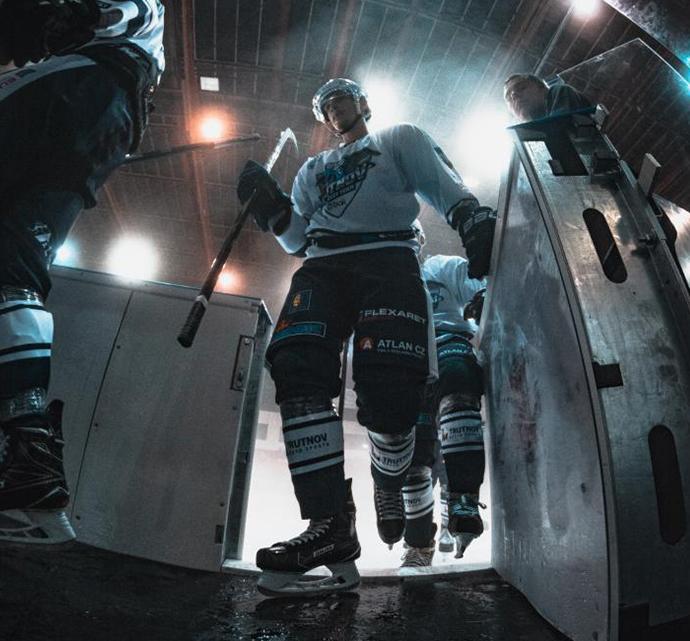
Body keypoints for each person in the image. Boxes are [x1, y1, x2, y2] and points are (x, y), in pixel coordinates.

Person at [236, 77, 496, 596]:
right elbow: (295, 239)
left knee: (394, 399)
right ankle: (329, 524)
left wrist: (470, 216)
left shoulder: (397, 137)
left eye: (343, 97)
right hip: (324, 265)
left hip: (390, 258)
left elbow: (443, 185)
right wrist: (272, 209)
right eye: (326, 104)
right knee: (295, 366)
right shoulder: (312, 169)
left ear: (364, 104)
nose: (334, 106)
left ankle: (389, 475)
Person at [0, 0, 165, 544]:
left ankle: (26, 455)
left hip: (71, 93)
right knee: (14, 266)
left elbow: (129, 9)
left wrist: (90, 16)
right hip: (96, 118)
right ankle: (30, 471)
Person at [398, 238, 488, 569]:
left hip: (449, 343)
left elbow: (480, 285)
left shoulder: (440, 267)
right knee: (415, 457)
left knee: (457, 379)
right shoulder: (386, 278)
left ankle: (462, 498)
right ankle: (418, 541)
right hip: (407, 358)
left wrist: (484, 299)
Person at [503, 73, 592, 123]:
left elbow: (559, 129)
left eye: (521, 88)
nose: (514, 96)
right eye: (509, 98)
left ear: (543, 89)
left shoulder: (558, 92)